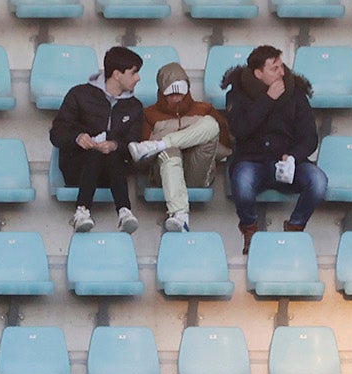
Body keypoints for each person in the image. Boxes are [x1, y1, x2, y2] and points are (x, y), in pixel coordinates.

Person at [222, 45, 328, 254]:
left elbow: (310, 137)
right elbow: (240, 130)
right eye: (274, 68)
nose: (282, 72)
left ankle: (295, 228)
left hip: (288, 162)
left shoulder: (295, 92)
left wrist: (293, 156)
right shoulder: (237, 94)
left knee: (318, 181)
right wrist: (267, 100)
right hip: (253, 161)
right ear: (258, 73)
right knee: (241, 182)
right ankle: (250, 230)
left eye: (281, 66)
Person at [128, 62, 233, 234]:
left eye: (180, 94)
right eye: (171, 94)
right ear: (162, 93)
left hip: (198, 172)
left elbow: (225, 149)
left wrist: (189, 138)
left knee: (210, 124)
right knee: (171, 151)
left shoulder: (204, 109)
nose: (176, 98)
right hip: (163, 175)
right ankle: (180, 215)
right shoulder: (149, 114)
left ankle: (161, 144)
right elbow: (141, 162)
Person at [49, 46, 145, 234]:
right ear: (117, 74)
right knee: (95, 154)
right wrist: (78, 138)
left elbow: (134, 142)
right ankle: (91, 210)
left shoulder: (134, 106)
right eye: (133, 73)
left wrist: (115, 145)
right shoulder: (79, 94)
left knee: (110, 153)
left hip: (112, 172)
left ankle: (116, 212)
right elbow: (57, 133)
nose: (138, 78)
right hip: (77, 167)